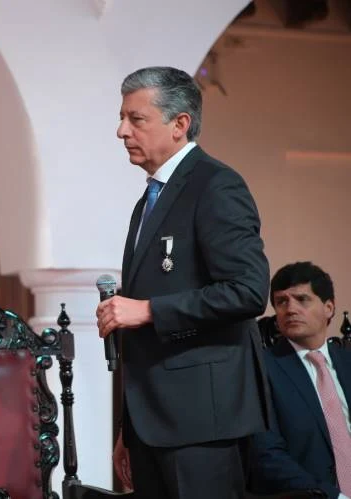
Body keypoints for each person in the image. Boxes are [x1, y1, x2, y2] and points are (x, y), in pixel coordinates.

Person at [96, 67, 270, 498]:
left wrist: (149, 309)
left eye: (136, 119)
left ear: (180, 124)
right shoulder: (148, 201)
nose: (121, 131)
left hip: (200, 421)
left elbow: (248, 290)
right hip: (152, 423)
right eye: (122, 118)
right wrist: (129, 428)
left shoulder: (216, 185)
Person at [250, 262, 351, 498]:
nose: (290, 309)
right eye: (282, 301)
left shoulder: (347, 362)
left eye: (302, 299)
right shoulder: (261, 369)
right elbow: (267, 455)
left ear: (329, 307)